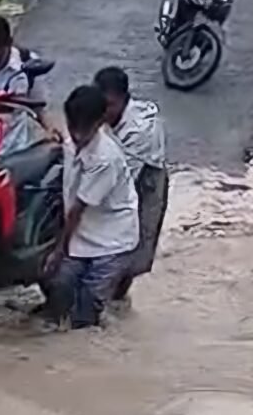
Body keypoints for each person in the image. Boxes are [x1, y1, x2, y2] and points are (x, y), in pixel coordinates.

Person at [41, 85, 139, 329]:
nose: (77, 136)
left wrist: (58, 250)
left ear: (99, 123)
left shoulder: (105, 158)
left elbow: (77, 210)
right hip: (83, 231)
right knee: (59, 284)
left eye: (84, 130)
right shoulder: (70, 140)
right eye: (73, 128)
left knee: (89, 305)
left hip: (111, 238)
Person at [93, 67, 168, 301]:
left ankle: (117, 297)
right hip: (121, 171)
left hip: (145, 180)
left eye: (110, 105)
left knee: (135, 243)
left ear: (123, 100)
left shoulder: (138, 130)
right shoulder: (106, 116)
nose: (104, 111)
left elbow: (122, 180)